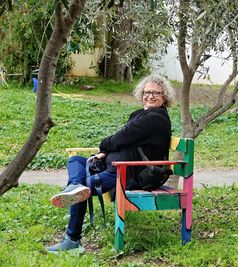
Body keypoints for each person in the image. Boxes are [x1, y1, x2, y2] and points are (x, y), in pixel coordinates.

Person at [47, 74, 174, 253]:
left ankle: (72, 239)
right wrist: (105, 151)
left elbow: (123, 136)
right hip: (113, 165)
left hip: (128, 172)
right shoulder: (140, 114)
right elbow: (123, 138)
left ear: (164, 96)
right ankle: (75, 185)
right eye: (147, 92)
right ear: (141, 94)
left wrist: (104, 147)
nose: (150, 96)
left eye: (156, 92)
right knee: (75, 160)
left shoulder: (156, 118)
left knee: (84, 187)